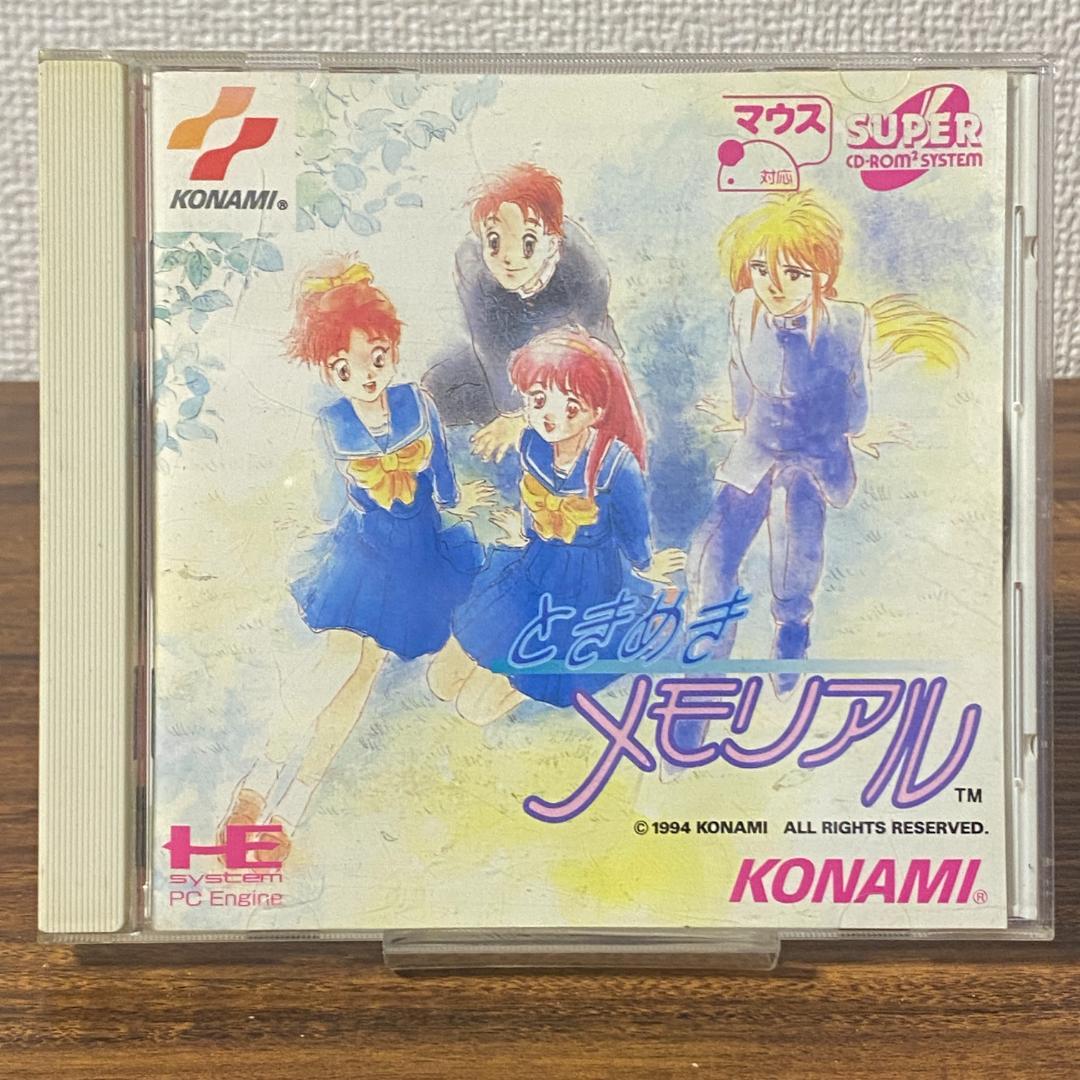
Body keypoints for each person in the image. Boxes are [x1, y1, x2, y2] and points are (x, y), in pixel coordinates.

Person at [217, 260, 494, 858]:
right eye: (345, 368)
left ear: (392, 349)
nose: (366, 376)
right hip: (364, 553)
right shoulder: (332, 422)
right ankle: (259, 781)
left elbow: (444, 480)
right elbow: (328, 501)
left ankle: (291, 808)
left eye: (377, 358)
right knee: (341, 657)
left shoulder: (418, 403)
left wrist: (455, 506)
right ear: (328, 371)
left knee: (364, 673)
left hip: (419, 554)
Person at [689, 190, 967, 698]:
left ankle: (791, 630)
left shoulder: (847, 323)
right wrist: (739, 414)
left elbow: (855, 401)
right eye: (761, 269)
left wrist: (850, 434)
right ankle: (708, 656)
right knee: (712, 555)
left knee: (793, 552)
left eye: (794, 273)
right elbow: (740, 374)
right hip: (756, 448)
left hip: (813, 455)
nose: (774, 285)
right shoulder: (744, 309)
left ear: (822, 276)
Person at [427, 327, 685, 722]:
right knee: (441, 681)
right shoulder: (532, 444)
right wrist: (523, 532)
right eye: (538, 400)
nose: (550, 415)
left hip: (585, 587)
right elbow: (533, 499)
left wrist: (646, 565)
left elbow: (633, 530)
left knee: (475, 709)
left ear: (596, 412)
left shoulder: (616, 465)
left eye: (571, 407)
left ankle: (534, 672)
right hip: (534, 565)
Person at [421, 163, 621, 464]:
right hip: (507, 353)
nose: (509, 258)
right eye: (494, 242)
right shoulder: (473, 267)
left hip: (569, 358)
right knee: (435, 390)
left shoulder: (584, 269)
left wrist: (523, 415)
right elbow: (489, 344)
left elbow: (596, 346)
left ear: (552, 244)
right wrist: (511, 411)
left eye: (528, 244)